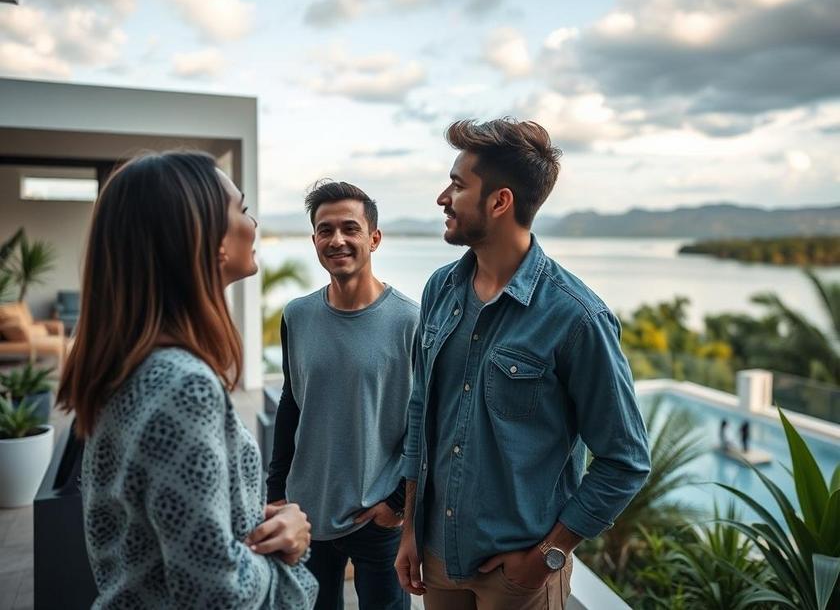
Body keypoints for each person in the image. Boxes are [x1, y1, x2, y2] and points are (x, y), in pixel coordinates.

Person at [394, 119, 651, 610]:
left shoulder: (577, 316)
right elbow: (419, 412)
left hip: (518, 578)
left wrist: (548, 556)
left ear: (499, 202)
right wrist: (410, 530)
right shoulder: (438, 290)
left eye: (457, 184)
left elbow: (626, 460)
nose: (442, 197)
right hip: (438, 560)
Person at [56, 151, 318, 609]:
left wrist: (251, 520)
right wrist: (292, 549)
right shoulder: (183, 386)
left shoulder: (129, 368)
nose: (253, 225)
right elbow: (214, 594)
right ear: (207, 237)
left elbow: (164, 531)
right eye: (242, 209)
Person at [266, 180, 418, 610]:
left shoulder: (411, 322)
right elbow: (292, 404)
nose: (337, 240)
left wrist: (395, 505)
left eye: (350, 228)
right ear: (314, 239)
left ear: (374, 238)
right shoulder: (296, 315)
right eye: (325, 230)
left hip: (376, 517)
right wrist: (276, 491)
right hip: (305, 513)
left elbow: (425, 422)